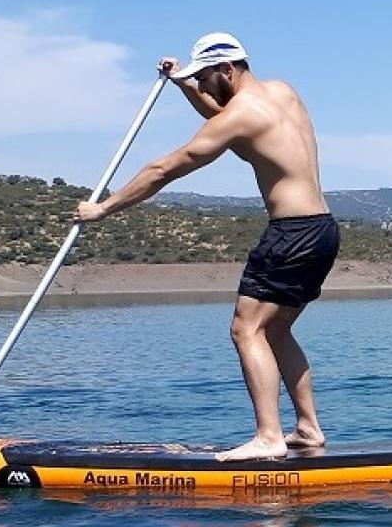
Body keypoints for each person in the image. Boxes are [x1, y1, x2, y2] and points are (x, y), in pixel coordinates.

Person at [71, 32, 339, 461]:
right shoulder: (282, 93)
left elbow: (163, 169)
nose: (203, 85)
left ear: (227, 70)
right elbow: (225, 114)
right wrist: (184, 84)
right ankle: (308, 428)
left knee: (245, 329)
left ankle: (269, 436)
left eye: (206, 77)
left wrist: (104, 209)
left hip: (289, 235)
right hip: (322, 230)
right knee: (277, 329)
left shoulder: (240, 115)